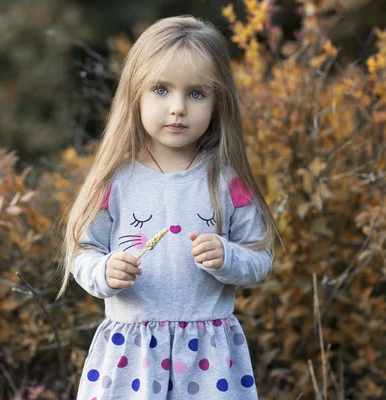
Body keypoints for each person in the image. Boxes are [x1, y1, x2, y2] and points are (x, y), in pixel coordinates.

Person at [56, 14, 277, 400]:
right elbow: (82, 252)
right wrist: (105, 270)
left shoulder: (227, 180)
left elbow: (259, 255)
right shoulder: (112, 179)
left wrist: (227, 256)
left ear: (217, 101)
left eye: (196, 94)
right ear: (135, 94)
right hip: (132, 356)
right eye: (161, 89)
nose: (178, 107)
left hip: (208, 357)